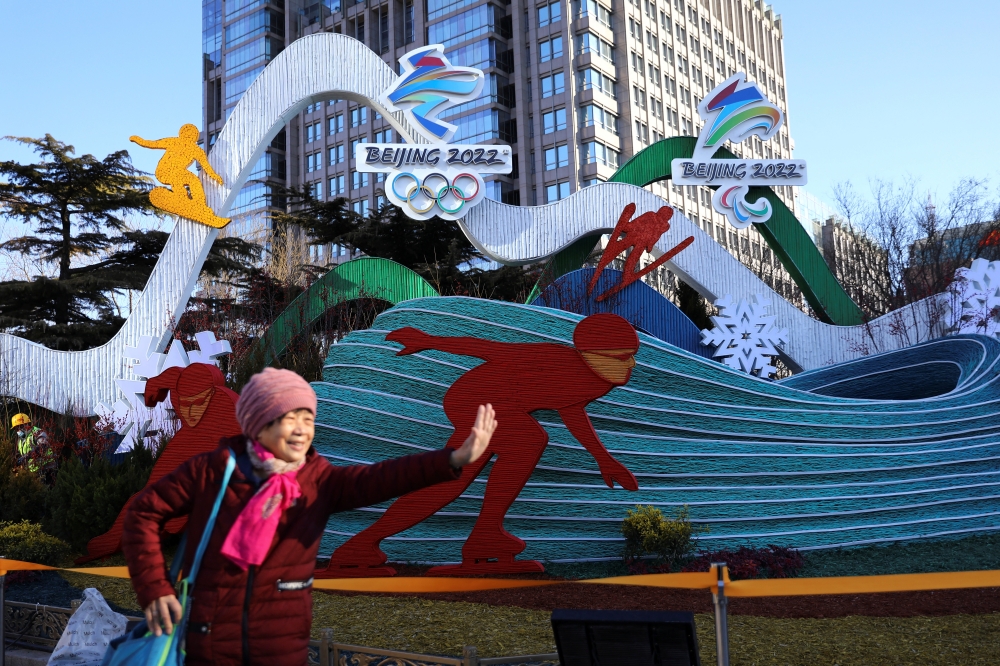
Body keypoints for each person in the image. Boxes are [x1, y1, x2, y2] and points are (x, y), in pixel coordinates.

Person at [122, 368, 496, 666]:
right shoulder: (212, 471)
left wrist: (453, 459)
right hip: (209, 643)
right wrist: (155, 589)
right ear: (259, 423)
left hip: (281, 649)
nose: (302, 429)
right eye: (289, 418)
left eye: (308, 418)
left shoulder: (316, 481)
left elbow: (381, 478)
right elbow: (142, 513)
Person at [323, 313, 640, 577]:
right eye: (624, 358)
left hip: (498, 407)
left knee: (457, 477)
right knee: (527, 441)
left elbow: (571, 409)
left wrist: (603, 459)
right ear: (593, 356)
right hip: (476, 399)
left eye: (632, 357)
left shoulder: (594, 380)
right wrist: (430, 341)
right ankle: (484, 535)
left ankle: (366, 545)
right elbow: (490, 349)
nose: (631, 366)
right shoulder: (555, 359)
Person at [130, 124, 231, 228]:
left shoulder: (196, 150)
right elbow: (152, 144)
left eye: (191, 135)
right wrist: (138, 140)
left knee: (194, 180)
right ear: (182, 134)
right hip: (164, 171)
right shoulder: (174, 142)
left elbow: (206, 167)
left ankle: (199, 205)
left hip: (178, 172)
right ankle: (181, 197)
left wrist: (215, 176)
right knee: (179, 177)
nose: (188, 136)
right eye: (187, 133)